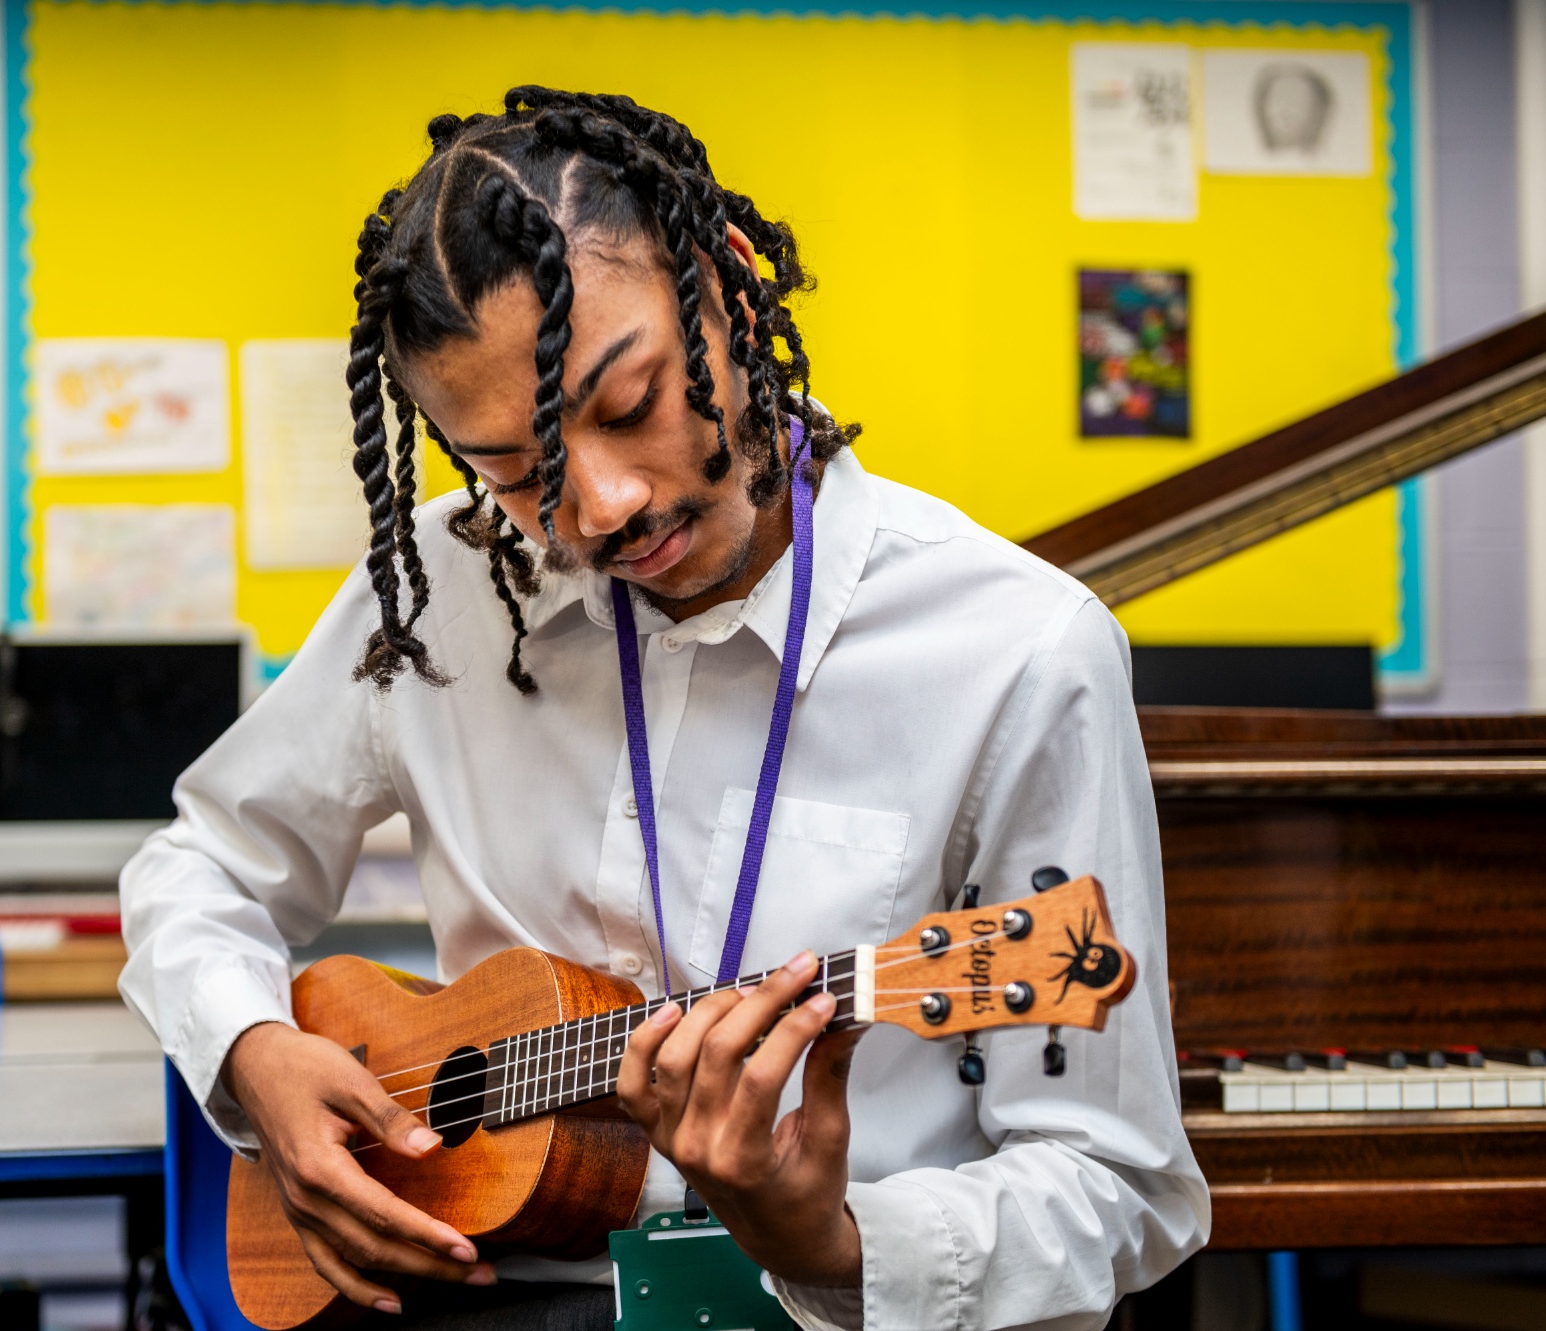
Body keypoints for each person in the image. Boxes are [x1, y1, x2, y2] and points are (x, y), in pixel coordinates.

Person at [119, 87, 1208, 1330]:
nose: (598, 504)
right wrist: (249, 1049)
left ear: (731, 289)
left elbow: (1121, 1187)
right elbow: (198, 861)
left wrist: (842, 1242)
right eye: (517, 469)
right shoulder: (444, 591)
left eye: (629, 402)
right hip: (488, 1292)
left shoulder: (1020, 650)